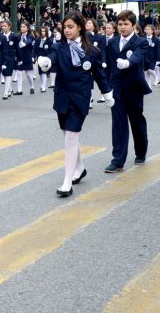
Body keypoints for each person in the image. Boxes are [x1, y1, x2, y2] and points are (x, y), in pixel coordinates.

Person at [37, 11, 114, 197]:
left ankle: (66, 182)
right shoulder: (58, 47)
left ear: (80, 27)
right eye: (64, 27)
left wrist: (107, 94)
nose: (67, 30)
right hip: (62, 97)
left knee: (71, 138)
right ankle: (80, 168)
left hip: (80, 99)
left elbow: (99, 75)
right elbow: (52, 59)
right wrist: (46, 62)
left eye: (70, 27)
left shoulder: (92, 51)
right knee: (68, 135)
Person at [105, 10, 152, 174]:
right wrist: (106, 88)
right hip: (116, 88)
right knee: (118, 124)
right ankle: (117, 160)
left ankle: (141, 151)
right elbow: (108, 66)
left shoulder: (141, 42)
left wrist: (128, 63)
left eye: (126, 24)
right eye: (120, 24)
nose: (122, 27)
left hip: (134, 88)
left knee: (136, 121)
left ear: (133, 25)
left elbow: (138, 57)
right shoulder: (112, 42)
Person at [14, 20, 37, 95]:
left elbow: (30, 41)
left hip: (27, 57)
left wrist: (25, 43)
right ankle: (19, 90)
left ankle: (32, 86)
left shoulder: (30, 36)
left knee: (28, 74)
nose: (22, 28)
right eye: (21, 27)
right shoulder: (19, 36)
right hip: (20, 57)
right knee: (19, 73)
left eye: (24, 27)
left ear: (27, 28)